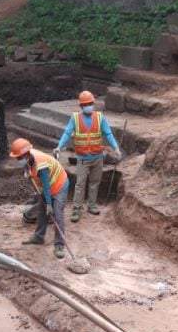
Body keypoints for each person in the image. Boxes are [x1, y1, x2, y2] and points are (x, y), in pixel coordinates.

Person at [53, 91, 121, 223]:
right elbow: (67, 133)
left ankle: (91, 205)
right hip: (83, 158)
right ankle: (76, 209)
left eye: (90, 103)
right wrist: (59, 146)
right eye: (86, 104)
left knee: (95, 182)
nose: (89, 106)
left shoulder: (100, 117)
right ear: (81, 106)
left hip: (97, 157)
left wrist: (115, 147)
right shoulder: (75, 119)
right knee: (80, 184)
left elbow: (108, 133)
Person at [11, 137, 69, 259]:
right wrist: (27, 169)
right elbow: (30, 168)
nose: (17, 160)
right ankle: (39, 237)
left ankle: (59, 245)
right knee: (42, 212)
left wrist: (49, 203)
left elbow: (47, 187)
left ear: (25, 155)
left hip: (59, 185)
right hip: (48, 186)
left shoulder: (41, 166)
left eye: (19, 158)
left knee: (57, 214)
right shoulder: (29, 155)